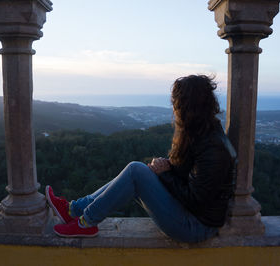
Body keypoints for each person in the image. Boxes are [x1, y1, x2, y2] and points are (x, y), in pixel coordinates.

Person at [46, 74, 237, 243]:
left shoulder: (212, 147)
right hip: (189, 215)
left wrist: (166, 173)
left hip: (195, 227)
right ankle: (73, 211)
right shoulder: (201, 132)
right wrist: (168, 167)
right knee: (138, 170)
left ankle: (86, 223)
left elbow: (196, 200)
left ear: (187, 106)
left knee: (136, 171)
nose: (174, 108)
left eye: (177, 103)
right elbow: (191, 176)